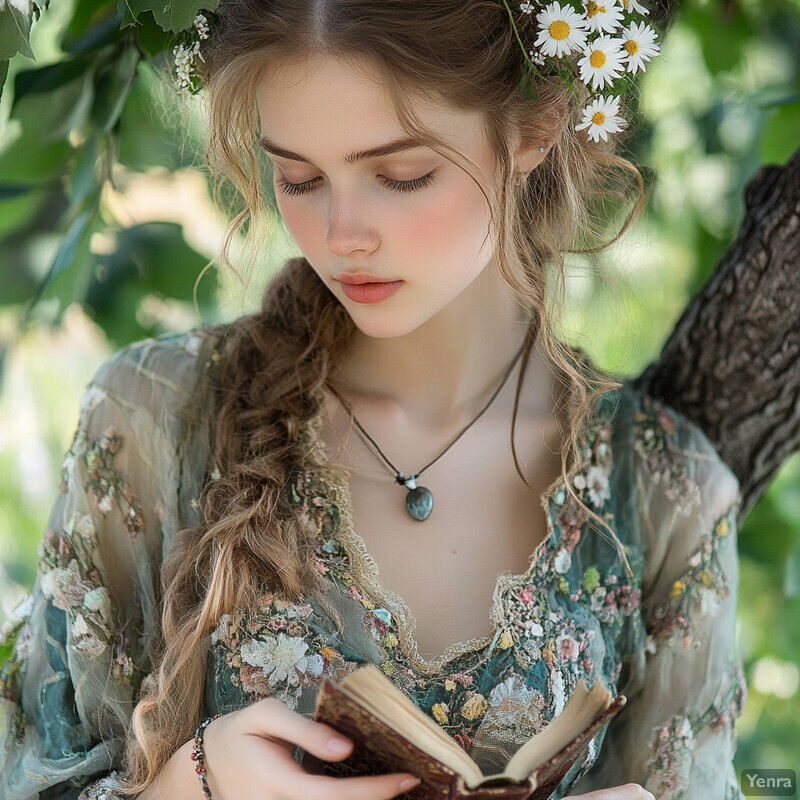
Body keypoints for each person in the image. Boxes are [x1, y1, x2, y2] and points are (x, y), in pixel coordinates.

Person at [0, 0, 748, 798]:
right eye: (299, 178)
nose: (341, 234)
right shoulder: (150, 418)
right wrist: (194, 784)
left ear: (537, 125)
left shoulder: (668, 494)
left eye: (400, 176)